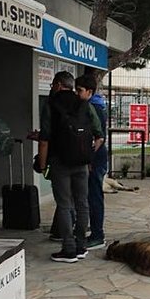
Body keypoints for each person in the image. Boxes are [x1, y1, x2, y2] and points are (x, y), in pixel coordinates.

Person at [37, 71, 104, 263]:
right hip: (82, 163)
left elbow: (44, 140)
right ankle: (81, 245)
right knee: (82, 203)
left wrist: (42, 165)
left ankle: (68, 249)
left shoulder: (51, 105)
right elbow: (99, 135)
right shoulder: (84, 104)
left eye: (52, 85)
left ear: (58, 85)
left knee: (65, 205)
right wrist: (88, 156)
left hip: (60, 162)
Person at [75, 74, 108, 250]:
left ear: (89, 91)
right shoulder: (92, 106)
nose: (76, 94)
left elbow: (98, 138)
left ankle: (97, 234)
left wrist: (90, 159)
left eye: (79, 90)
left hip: (95, 160)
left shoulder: (93, 108)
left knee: (94, 197)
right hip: (93, 158)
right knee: (88, 197)